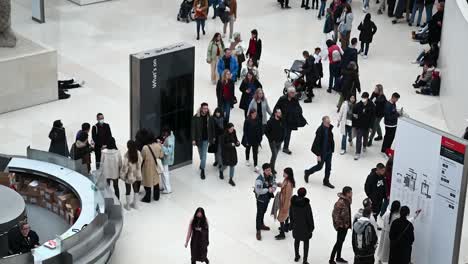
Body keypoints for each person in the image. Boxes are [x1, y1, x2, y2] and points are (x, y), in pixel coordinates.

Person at [305, 116, 335, 189]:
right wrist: (318, 154)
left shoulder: (329, 128)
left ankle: (326, 181)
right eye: (328, 122)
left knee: (328, 167)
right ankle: (308, 172)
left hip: (329, 151)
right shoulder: (320, 130)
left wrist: (331, 149)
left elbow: (331, 139)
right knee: (319, 166)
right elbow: (317, 143)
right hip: (322, 153)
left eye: (329, 122)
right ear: (324, 122)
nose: (329, 123)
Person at [274, 87, 307, 154]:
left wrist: (298, 112)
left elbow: (299, 107)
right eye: (292, 93)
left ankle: (285, 148)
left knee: (288, 134)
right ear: (288, 93)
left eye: (294, 93)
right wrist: (278, 113)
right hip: (282, 119)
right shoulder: (282, 99)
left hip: (290, 120)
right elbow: (277, 107)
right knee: (282, 133)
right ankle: (278, 144)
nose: (293, 94)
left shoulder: (295, 99)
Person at [290, 187, 314, 264]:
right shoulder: (306, 205)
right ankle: (305, 260)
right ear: (305, 194)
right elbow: (309, 217)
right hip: (305, 227)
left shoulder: (293, 202)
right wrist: (311, 227)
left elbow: (291, 215)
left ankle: (296, 256)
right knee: (306, 242)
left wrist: (292, 224)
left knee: (296, 240)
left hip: (296, 225)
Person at [330, 186, 352, 264]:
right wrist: (340, 225)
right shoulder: (340, 202)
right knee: (338, 242)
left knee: (341, 241)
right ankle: (331, 259)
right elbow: (335, 215)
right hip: (341, 226)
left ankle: (338, 257)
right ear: (346, 193)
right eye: (350, 192)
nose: (351, 193)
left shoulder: (347, 200)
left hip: (345, 225)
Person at [254, 163, 277, 241]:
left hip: (267, 198)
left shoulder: (271, 176)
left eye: (270, 170)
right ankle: (258, 230)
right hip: (261, 199)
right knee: (259, 214)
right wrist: (268, 190)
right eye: (267, 170)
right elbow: (258, 191)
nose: (269, 171)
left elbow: (274, 183)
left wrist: (274, 188)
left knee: (263, 212)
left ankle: (261, 224)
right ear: (263, 170)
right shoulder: (259, 179)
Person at [141, 132, 164, 203]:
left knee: (147, 182)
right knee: (156, 182)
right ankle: (156, 197)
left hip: (147, 168)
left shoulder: (145, 147)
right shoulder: (158, 146)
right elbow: (161, 156)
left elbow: (142, 157)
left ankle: (147, 198)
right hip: (155, 166)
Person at [352, 92, 375, 160]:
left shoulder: (372, 105)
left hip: (367, 125)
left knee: (365, 137)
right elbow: (354, 112)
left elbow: (373, 117)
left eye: (364, 98)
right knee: (359, 138)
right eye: (362, 98)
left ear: (367, 98)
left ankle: (364, 145)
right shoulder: (358, 105)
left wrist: (371, 127)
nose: (363, 99)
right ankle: (357, 152)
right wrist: (355, 117)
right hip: (359, 125)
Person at [120, 140, 142, 210]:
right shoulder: (138, 153)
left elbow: (124, 168)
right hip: (136, 174)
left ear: (128, 146)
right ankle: (136, 205)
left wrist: (122, 176)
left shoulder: (127, 155)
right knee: (135, 189)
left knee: (128, 190)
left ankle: (128, 206)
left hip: (129, 176)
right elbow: (140, 161)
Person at [192, 103, 212, 179]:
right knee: (201, 155)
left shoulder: (209, 117)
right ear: (201, 108)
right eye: (204, 108)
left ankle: (202, 170)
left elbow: (212, 128)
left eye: (206, 108)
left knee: (204, 156)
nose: (205, 110)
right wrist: (193, 139)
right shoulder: (196, 117)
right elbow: (193, 129)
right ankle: (202, 164)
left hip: (206, 139)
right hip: (198, 139)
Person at [275, 167, 295, 240]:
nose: (283, 174)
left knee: (281, 217)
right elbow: (283, 186)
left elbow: (288, 197)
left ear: (288, 174)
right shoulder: (286, 180)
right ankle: (285, 227)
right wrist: (279, 184)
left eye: (285, 173)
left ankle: (282, 233)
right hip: (284, 201)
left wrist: (285, 207)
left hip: (285, 203)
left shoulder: (289, 184)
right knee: (286, 216)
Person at [264, 108, 285, 175]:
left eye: (280, 113)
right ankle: (272, 169)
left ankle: (270, 166)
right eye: (278, 113)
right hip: (273, 142)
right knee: (274, 155)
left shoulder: (282, 121)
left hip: (280, 141)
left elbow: (284, 130)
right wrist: (271, 139)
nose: (280, 114)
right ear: (275, 113)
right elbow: (266, 131)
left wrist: (283, 138)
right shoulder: (270, 122)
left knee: (275, 155)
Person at [161, 126, 175, 194]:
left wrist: (161, 146)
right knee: (164, 173)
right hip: (166, 158)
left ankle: (168, 189)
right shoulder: (171, 136)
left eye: (164, 133)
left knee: (165, 174)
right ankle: (164, 187)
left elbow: (169, 151)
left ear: (167, 132)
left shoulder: (169, 139)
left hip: (166, 158)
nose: (163, 134)